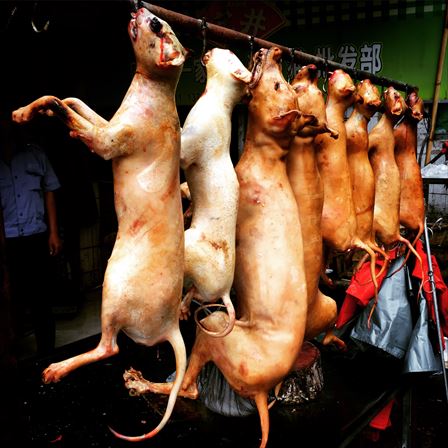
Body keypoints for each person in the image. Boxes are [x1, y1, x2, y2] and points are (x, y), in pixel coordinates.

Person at [0, 117, 62, 357]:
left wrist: (53, 232)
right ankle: (14, 355)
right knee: (12, 300)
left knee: (41, 300)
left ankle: (47, 354)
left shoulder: (35, 154)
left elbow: (50, 191)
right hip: (8, 241)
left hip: (37, 237)